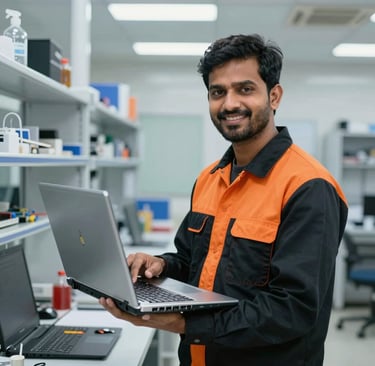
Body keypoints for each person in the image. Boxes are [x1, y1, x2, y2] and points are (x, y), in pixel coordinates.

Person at [100, 34, 348, 366]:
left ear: (274, 96)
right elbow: (194, 263)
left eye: (245, 89)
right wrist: (160, 264)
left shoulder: (308, 186)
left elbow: (293, 310)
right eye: (218, 92)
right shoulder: (210, 178)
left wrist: (183, 323)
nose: (229, 103)